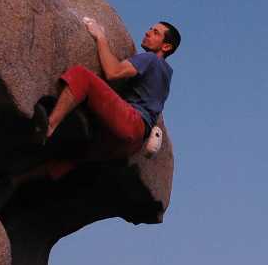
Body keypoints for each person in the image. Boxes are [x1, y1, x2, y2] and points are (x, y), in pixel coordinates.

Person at [31, 19, 180, 179]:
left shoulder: (150, 59)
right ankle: (16, 180)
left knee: (83, 76)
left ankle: (49, 126)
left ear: (166, 47)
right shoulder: (166, 75)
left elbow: (113, 72)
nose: (148, 32)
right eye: (150, 28)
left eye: (156, 32)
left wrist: (100, 36)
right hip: (131, 145)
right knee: (74, 158)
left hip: (130, 123)